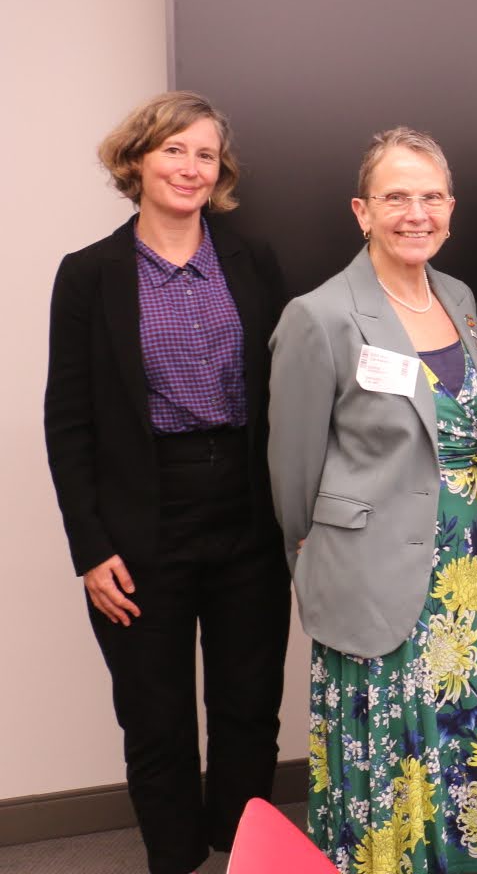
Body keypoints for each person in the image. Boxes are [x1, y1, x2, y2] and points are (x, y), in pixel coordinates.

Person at [43, 92, 290, 874]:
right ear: (139, 160)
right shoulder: (89, 276)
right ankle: (176, 863)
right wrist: (90, 548)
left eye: (206, 154)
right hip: (141, 523)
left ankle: (244, 857)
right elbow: (69, 423)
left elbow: (292, 395)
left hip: (250, 514)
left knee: (248, 713)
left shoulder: (256, 264)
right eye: (174, 150)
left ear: (221, 172)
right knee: (157, 723)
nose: (190, 167)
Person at [269, 127, 477, 871]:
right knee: (392, 750)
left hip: (465, 571)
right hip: (374, 572)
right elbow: (291, 472)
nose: (416, 213)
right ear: (362, 211)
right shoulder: (320, 317)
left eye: (431, 197)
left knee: (460, 731)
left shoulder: (457, 298)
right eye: (396, 198)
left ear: (451, 207)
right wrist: (312, 551)